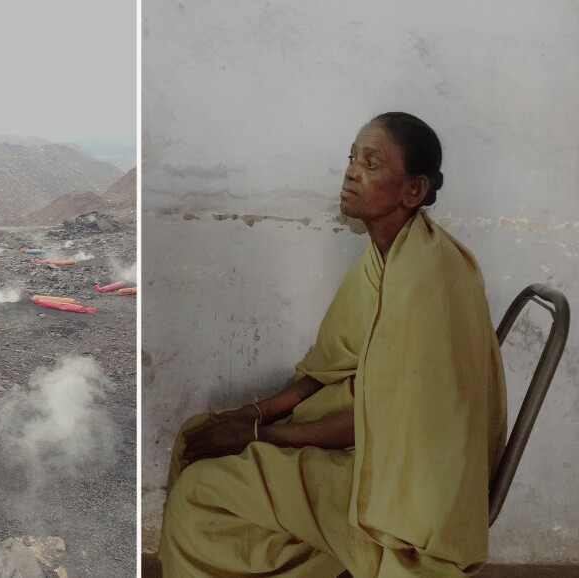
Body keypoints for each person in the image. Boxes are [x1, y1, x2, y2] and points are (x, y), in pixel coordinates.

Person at [158, 112, 507, 577]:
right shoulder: (387, 256)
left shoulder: (430, 279)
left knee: (200, 489)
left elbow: (390, 424)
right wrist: (257, 413)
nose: (351, 170)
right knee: (198, 435)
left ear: (413, 191)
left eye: (372, 161)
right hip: (371, 447)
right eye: (352, 157)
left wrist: (261, 435)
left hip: (406, 489)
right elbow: (330, 367)